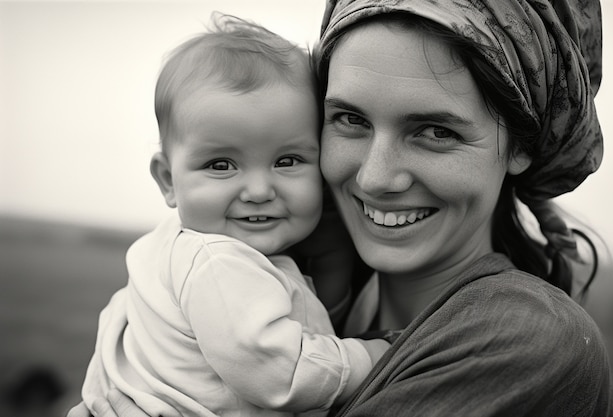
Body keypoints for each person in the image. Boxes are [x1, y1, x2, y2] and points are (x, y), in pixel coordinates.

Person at [68, 0, 613, 416]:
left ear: (521, 144)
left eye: (435, 130)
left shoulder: (525, 338)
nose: (376, 178)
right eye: (351, 120)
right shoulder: (285, 267)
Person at [78, 13, 390, 417]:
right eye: (221, 165)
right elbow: (284, 374)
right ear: (168, 180)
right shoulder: (217, 263)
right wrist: (373, 354)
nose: (259, 191)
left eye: (288, 160)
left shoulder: (170, 251)